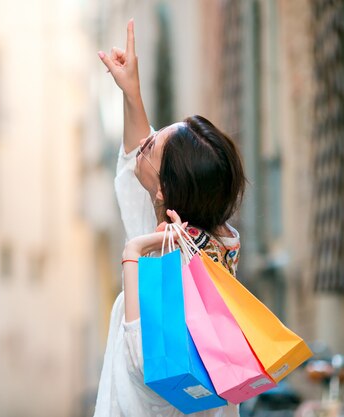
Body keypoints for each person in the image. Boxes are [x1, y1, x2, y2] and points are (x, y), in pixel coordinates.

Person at [93, 19, 246, 417]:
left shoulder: (169, 264)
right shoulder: (206, 244)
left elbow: (148, 362)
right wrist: (132, 92)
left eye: (150, 148)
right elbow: (136, 164)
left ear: (163, 191)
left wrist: (133, 254)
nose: (140, 145)